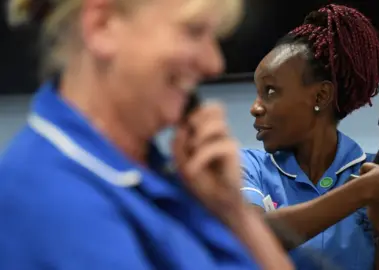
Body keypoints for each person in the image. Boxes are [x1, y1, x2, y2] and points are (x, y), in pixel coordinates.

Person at [0, 0, 293, 269]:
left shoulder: (153, 175)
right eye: (193, 32)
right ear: (102, 26)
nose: (214, 64)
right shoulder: (53, 202)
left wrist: (234, 212)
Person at [241, 4, 379, 270]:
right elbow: (251, 237)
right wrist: (363, 191)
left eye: (270, 91)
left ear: (321, 96)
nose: (255, 107)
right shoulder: (246, 168)